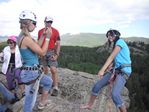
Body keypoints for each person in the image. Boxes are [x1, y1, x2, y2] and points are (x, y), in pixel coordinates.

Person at [81, 29, 132, 112]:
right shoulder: (117, 44)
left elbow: (111, 57)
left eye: (111, 35)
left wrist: (102, 70)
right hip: (116, 70)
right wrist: (111, 66)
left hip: (124, 71)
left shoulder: (120, 42)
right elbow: (118, 58)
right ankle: (89, 105)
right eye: (108, 36)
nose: (109, 37)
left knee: (115, 94)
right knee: (97, 86)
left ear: (116, 35)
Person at [17, 10, 53, 112]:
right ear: (28, 23)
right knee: (30, 101)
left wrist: (43, 36)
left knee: (48, 82)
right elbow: (42, 53)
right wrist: (48, 39)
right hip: (31, 72)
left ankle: (42, 102)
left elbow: (35, 45)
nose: (35, 26)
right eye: (34, 23)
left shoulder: (23, 36)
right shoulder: (26, 38)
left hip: (31, 71)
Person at [38, 16, 61, 96]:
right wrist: (39, 53)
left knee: (53, 69)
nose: (49, 23)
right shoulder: (40, 31)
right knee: (44, 70)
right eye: (47, 22)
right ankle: (43, 85)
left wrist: (56, 55)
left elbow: (58, 44)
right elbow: (39, 43)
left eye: (50, 22)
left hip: (51, 51)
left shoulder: (56, 31)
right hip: (42, 52)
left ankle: (55, 87)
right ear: (44, 22)